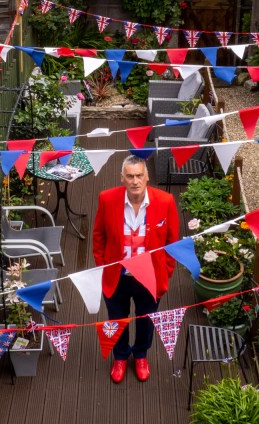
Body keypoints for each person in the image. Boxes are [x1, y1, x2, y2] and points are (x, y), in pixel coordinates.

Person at [92, 154, 180, 384]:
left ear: (147, 176)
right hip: (116, 276)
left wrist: (166, 270)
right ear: (122, 178)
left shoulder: (166, 201)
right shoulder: (106, 199)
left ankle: (141, 355)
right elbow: (98, 235)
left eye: (139, 175)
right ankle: (120, 357)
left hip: (149, 277)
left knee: (146, 320)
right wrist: (103, 267)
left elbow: (173, 242)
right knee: (117, 319)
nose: (135, 181)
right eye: (130, 176)